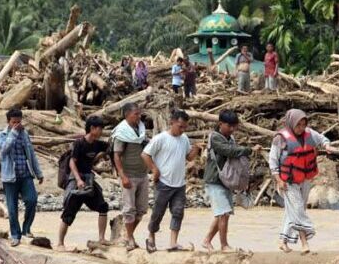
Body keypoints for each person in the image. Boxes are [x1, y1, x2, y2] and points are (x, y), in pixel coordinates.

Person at [269, 109, 335, 254]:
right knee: (298, 209)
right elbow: (273, 161)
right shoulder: (280, 139)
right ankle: (305, 243)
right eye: (298, 125)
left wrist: (327, 146)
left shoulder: (309, 133)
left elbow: (322, 139)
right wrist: (278, 180)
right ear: (291, 123)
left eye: (303, 125)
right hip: (287, 181)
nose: (301, 128)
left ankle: (283, 241)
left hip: (304, 179)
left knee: (295, 210)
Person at [201, 110, 262, 253]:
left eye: (234, 126)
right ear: (220, 124)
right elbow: (229, 151)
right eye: (229, 126)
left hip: (225, 181)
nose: (232, 129)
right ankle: (224, 246)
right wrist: (249, 150)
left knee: (223, 213)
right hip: (214, 180)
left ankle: (207, 240)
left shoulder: (230, 138)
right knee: (223, 213)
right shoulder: (215, 138)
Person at [142, 109, 200, 253]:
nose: (182, 130)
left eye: (185, 127)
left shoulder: (184, 138)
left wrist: (196, 149)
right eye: (180, 126)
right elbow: (145, 154)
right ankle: (151, 238)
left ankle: (173, 242)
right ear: (172, 122)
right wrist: (154, 169)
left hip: (179, 183)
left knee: (178, 212)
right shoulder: (160, 138)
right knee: (158, 212)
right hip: (163, 182)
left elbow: (188, 157)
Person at [57, 116, 110, 252]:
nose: (101, 131)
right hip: (77, 179)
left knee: (103, 207)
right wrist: (78, 179)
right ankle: (60, 243)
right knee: (69, 212)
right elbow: (72, 162)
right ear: (92, 128)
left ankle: (101, 238)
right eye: (100, 128)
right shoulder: (79, 143)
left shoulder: (98, 144)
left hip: (89, 180)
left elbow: (110, 147)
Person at [0, 108, 43, 247]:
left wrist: (39, 173)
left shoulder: (25, 134)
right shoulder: (2, 135)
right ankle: (15, 235)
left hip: (25, 175)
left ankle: (26, 228)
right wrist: (13, 133)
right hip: (10, 177)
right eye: (14, 122)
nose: (17, 125)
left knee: (32, 200)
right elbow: (3, 151)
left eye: (19, 122)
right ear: (8, 122)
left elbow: (31, 154)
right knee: (12, 209)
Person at [112, 102, 149, 251]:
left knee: (142, 209)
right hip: (129, 175)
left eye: (139, 114)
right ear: (127, 114)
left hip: (143, 174)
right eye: (136, 114)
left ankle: (129, 235)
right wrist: (123, 176)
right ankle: (130, 238)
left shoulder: (141, 129)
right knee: (129, 209)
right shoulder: (122, 132)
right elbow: (116, 155)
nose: (139, 117)